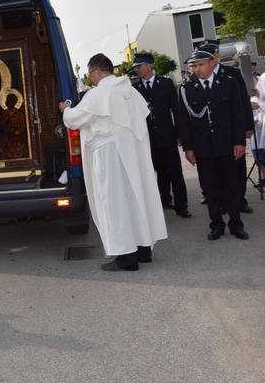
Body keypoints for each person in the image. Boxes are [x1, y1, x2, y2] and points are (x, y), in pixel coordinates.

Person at [58, 53, 167, 271]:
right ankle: (143, 250)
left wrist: (66, 108)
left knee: (115, 204)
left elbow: (75, 120)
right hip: (132, 153)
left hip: (109, 155)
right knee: (136, 199)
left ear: (98, 71)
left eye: (90, 74)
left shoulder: (99, 94)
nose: (90, 79)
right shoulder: (132, 92)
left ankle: (126, 258)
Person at [178, 49, 248, 240]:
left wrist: (239, 142)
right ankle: (216, 225)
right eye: (193, 66)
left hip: (226, 145)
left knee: (231, 186)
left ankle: (236, 224)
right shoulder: (186, 89)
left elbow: (237, 114)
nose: (196, 69)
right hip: (202, 148)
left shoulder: (228, 83)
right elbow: (184, 121)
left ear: (211, 63)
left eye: (200, 65)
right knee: (210, 188)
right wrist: (189, 148)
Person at [131, 54, 190, 218]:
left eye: (139, 66)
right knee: (152, 173)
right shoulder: (135, 89)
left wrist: (179, 134)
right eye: (135, 67)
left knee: (174, 172)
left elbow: (175, 110)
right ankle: (162, 201)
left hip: (166, 136)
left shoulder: (166, 83)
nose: (137, 69)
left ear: (149, 65)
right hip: (146, 139)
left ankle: (181, 206)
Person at [202, 40, 255, 213]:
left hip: (231, 130)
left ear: (217, 56)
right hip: (211, 132)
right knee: (216, 171)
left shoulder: (231, 73)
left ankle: (240, 200)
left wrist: (248, 126)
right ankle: (222, 201)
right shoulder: (200, 77)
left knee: (237, 168)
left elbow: (242, 102)